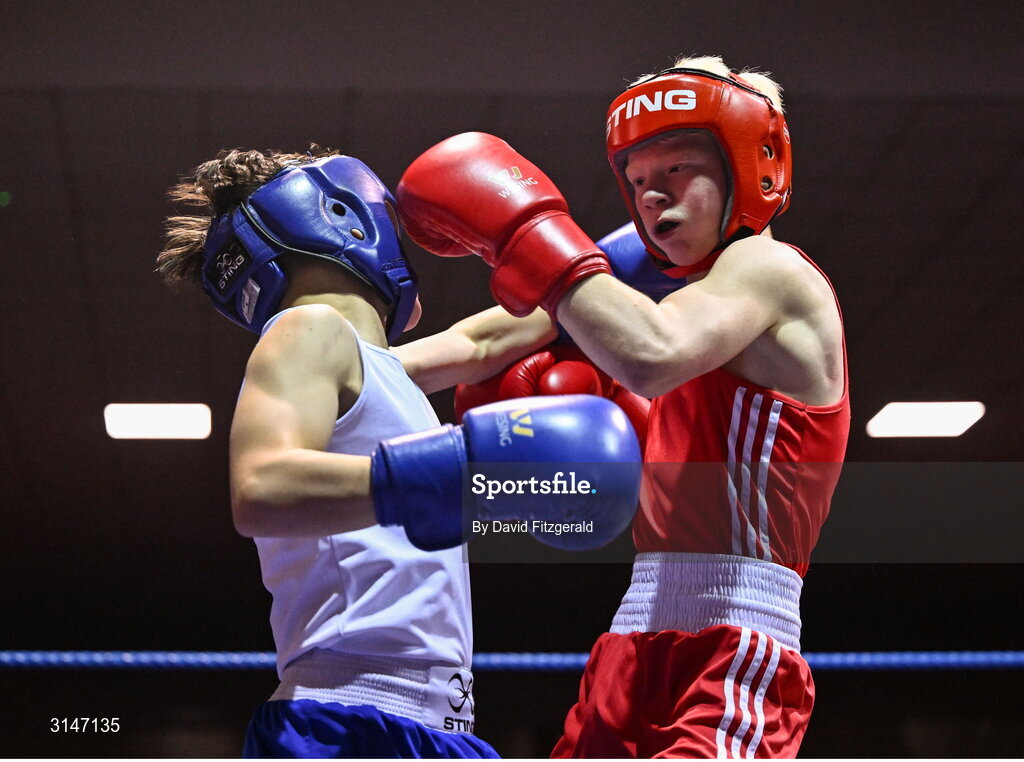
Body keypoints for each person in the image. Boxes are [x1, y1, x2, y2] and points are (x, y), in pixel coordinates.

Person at [394, 54, 850, 758]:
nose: (651, 199)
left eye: (676, 171)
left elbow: (653, 354)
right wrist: (361, 375)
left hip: (736, 637)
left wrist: (527, 233)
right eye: (637, 180)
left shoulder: (772, 271)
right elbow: (489, 338)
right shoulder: (658, 279)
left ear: (748, 165)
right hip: (633, 635)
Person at [157, 147, 641, 758]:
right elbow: (260, 488)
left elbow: (485, 338)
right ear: (347, 216)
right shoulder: (307, 329)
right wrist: (453, 468)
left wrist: (624, 263)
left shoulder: (380, 366)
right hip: (349, 718)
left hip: (435, 725)